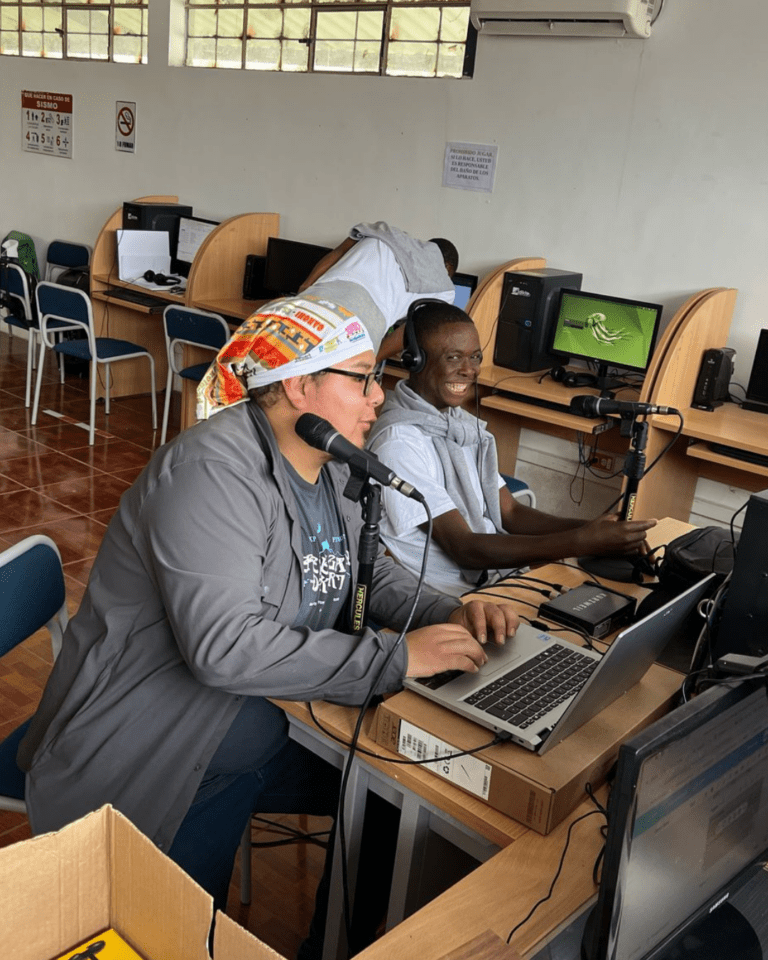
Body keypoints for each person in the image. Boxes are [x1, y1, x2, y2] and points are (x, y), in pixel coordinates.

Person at [18, 293, 518, 957]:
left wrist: (448, 612)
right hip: (159, 748)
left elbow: (368, 574)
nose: (379, 396)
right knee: (177, 939)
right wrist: (395, 659)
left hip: (262, 726)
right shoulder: (210, 474)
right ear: (297, 385)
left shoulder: (328, 463)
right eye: (362, 378)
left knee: (396, 799)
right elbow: (223, 650)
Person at [366, 301, 657, 598]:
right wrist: (581, 542)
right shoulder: (399, 444)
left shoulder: (457, 424)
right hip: (453, 597)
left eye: (475, 357)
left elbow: (511, 512)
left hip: (497, 576)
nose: (468, 370)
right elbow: (464, 548)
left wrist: (598, 532)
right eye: (453, 357)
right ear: (414, 360)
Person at [298, 221, 459, 362]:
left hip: (316, 295)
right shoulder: (445, 288)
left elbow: (338, 252)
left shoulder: (383, 232)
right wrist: (372, 360)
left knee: (288, 358)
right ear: (447, 268)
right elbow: (411, 328)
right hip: (361, 318)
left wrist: (305, 288)